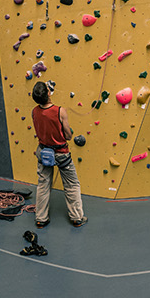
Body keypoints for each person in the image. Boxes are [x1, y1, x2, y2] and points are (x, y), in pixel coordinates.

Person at [30, 80, 86, 228]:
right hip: (61, 153)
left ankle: (41, 218)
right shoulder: (60, 111)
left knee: (43, 185)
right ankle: (77, 218)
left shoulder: (34, 111)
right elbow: (68, 136)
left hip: (43, 152)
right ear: (48, 93)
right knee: (72, 184)